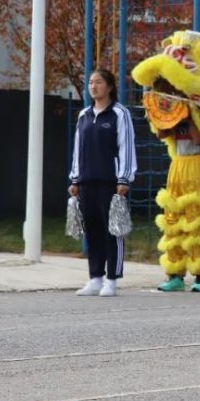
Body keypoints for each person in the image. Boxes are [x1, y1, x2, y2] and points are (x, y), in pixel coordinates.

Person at [68, 69, 137, 297]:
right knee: (93, 230)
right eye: (90, 82)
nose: (93, 86)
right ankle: (95, 278)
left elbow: (126, 147)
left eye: (98, 82)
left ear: (109, 86)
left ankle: (112, 280)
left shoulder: (119, 113)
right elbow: (78, 149)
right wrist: (75, 178)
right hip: (87, 181)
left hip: (111, 181)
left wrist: (124, 177)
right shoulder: (84, 115)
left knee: (113, 230)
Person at [153, 116, 200, 293]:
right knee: (172, 220)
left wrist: (190, 116)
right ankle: (175, 275)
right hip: (178, 165)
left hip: (197, 164)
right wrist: (166, 115)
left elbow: (198, 139)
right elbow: (161, 134)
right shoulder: (177, 112)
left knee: (198, 221)